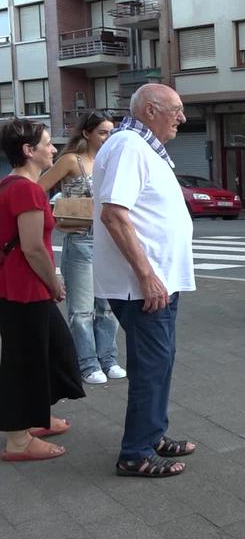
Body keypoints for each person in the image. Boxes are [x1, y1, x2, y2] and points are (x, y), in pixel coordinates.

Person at [93, 84, 196, 477]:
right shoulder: (128, 146)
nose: (182, 118)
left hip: (156, 282)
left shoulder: (140, 145)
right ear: (151, 109)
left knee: (160, 361)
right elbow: (114, 215)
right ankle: (134, 453)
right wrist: (147, 275)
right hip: (143, 285)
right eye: (176, 109)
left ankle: (152, 434)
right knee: (151, 364)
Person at [0, 119, 85, 462]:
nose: (54, 149)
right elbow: (33, 248)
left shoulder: (10, 185)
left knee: (55, 350)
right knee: (26, 360)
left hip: (20, 286)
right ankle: (19, 439)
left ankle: (36, 415)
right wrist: (55, 283)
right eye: (48, 144)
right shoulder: (26, 189)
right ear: (28, 150)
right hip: (27, 288)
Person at [38, 110, 124, 385]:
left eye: (111, 132)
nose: (108, 137)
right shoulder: (70, 160)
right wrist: (55, 220)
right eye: (102, 132)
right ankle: (87, 363)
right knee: (82, 309)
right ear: (86, 133)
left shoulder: (110, 160)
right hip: (82, 239)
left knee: (108, 306)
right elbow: (37, 191)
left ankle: (108, 359)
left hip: (109, 239)